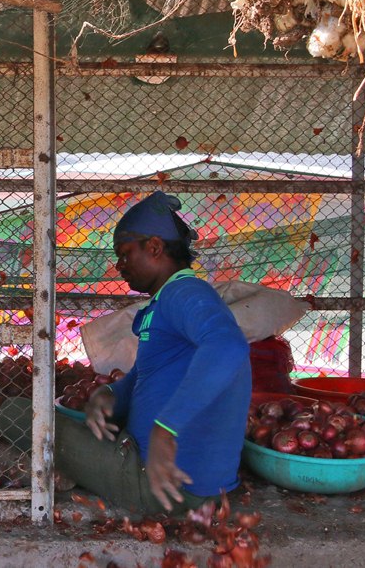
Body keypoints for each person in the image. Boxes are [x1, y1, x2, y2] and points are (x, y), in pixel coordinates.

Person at [55, 191, 251, 514]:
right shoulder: (167, 301)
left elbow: (228, 346)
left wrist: (166, 429)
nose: (119, 266)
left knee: (23, 417)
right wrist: (109, 393)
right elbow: (146, 375)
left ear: (155, 248)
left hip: (164, 487)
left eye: (125, 254)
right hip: (173, 481)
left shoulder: (185, 294)